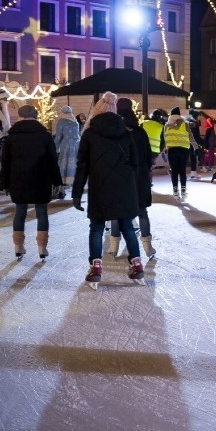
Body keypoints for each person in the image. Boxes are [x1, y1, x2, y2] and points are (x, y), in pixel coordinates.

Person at [71, 92, 144, 289]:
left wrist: (76, 192)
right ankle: (137, 265)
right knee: (127, 226)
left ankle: (96, 268)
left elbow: (82, 166)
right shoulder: (126, 132)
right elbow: (135, 164)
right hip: (124, 187)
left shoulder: (90, 134)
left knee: (96, 227)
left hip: (100, 186)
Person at [2, 104, 62, 260]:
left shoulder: (11, 137)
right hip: (40, 179)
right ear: (36, 116)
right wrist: (57, 180)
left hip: (18, 179)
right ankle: (42, 248)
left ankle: (18, 246)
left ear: (20, 116)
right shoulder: (45, 136)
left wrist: (5, 183)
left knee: (20, 212)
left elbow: (5, 162)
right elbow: (52, 160)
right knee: (41, 212)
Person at [107, 98, 156, 260]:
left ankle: (113, 246)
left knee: (116, 212)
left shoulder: (113, 132)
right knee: (142, 212)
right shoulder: (140, 132)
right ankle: (148, 246)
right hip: (138, 177)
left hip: (118, 177)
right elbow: (148, 157)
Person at [163, 106, 199, 201]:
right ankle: (183, 190)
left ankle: (175, 191)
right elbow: (191, 136)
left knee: (174, 171)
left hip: (172, 150)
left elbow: (165, 138)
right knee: (182, 170)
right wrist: (196, 147)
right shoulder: (184, 123)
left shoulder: (166, 125)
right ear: (179, 114)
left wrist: (165, 149)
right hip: (183, 150)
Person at [52, 105, 80, 200]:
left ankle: (61, 188)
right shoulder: (75, 121)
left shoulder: (61, 121)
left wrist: (55, 148)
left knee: (63, 165)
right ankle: (73, 182)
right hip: (76, 145)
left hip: (66, 145)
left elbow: (59, 136)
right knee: (74, 163)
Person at [187, 109, 204, 179]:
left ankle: (174, 171)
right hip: (192, 142)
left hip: (184, 142)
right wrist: (199, 143)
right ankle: (193, 173)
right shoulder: (194, 122)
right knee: (193, 157)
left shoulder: (186, 121)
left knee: (183, 158)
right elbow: (196, 134)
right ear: (196, 116)